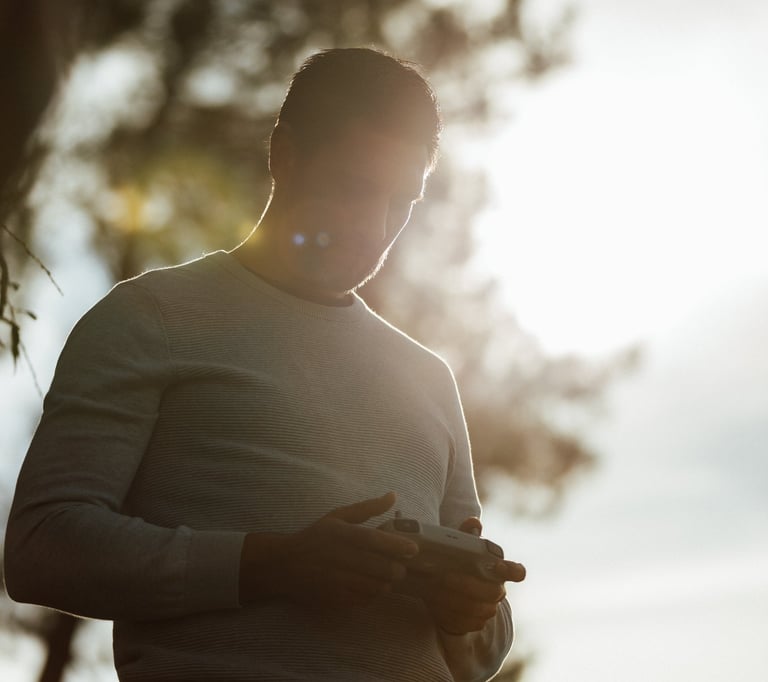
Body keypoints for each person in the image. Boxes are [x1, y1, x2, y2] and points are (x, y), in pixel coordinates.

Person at [5, 47, 524, 681]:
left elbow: (479, 656)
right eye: (354, 186)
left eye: (401, 201)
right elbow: (41, 547)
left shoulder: (428, 377)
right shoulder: (151, 318)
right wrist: (269, 565)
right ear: (285, 155)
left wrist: (472, 607)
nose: (373, 225)